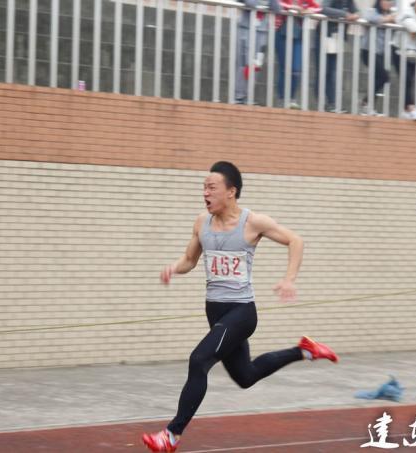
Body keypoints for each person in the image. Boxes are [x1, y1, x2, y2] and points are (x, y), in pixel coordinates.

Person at [142, 162, 338, 452]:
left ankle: (171, 435)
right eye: (203, 188)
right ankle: (305, 350)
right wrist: (174, 267)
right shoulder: (201, 222)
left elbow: (295, 240)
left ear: (231, 191)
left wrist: (289, 279)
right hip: (215, 312)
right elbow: (190, 260)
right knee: (246, 376)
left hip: (241, 312)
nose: (205, 193)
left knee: (199, 360)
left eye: (212, 187)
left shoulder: (252, 222)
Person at [275, 0, 322, 108]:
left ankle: (291, 98)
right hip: (282, 31)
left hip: (298, 34)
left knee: (296, 69)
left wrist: (308, 10)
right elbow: (277, 3)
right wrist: (294, 8)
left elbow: (319, 8)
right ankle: (282, 99)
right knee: (284, 68)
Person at [236, 0, 283, 104]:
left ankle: (248, 96)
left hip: (262, 31)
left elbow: (277, 8)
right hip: (246, 27)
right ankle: (239, 96)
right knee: (245, 62)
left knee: (256, 64)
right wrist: (259, 4)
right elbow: (250, 3)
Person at [316, 0, 360, 112]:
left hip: (337, 38)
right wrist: (345, 14)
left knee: (332, 72)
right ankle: (325, 102)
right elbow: (323, 9)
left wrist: (355, 15)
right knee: (324, 71)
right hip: (324, 35)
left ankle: (332, 103)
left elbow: (357, 12)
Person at [360, 0, 397, 116]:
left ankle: (369, 107)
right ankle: (365, 102)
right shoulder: (373, 11)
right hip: (368, 50)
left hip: (380, 52)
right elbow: (368, 17)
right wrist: (387, 19)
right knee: (383, 76)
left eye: (390, 1)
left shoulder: (391, 14)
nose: (388, 3)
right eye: (385, 0)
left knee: (378, 78)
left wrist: (392, 19)